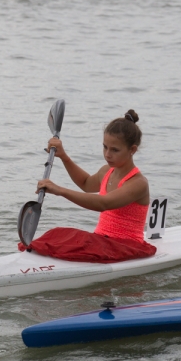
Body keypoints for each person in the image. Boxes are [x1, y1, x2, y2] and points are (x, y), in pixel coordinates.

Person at [18, 109, 157, 263]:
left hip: (126, 246)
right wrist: (63, 156)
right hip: (102, 242)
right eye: (105, 147)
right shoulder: (107, 171)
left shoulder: (138, 183)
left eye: (114, 150)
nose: (107, 154)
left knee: (73, 238)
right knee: (57, 233)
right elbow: (85, 183)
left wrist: (60, 191)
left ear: (132, 150)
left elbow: (103, 203)